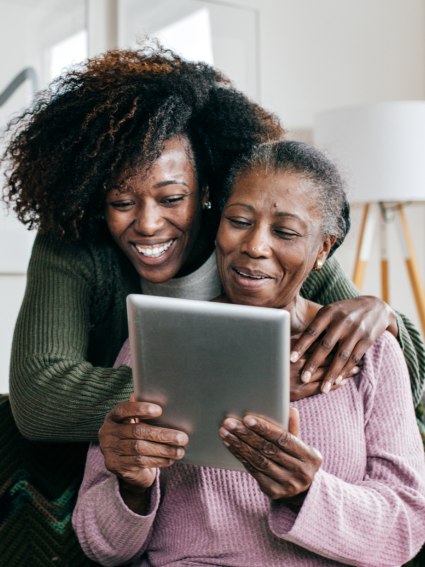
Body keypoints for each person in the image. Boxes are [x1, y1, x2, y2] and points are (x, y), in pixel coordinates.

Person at [1, 45, 424, 563]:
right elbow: (40, 397)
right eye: (121, 201)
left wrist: (381, 313)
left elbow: (387, 371)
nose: (149, 223)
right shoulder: (102, 282)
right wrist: (224, 379)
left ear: (207, 193)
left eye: (172, 198)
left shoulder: (280, 243)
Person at [73, 141, 425, 566]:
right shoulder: (156, 339)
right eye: (238, 221)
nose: (254, 246)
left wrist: (307, 493)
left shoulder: (373, 354)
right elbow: (100, 547)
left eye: (286, 232)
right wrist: (130, 485)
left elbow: (405, 528)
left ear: (324, 249)